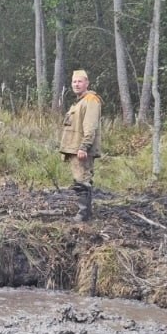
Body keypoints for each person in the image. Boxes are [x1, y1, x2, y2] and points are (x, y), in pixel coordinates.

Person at [59, 69, 102, 221]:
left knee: (82, 179)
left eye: (80, 81)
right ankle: (84, 213)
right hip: (75, 148)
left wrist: (84, 147)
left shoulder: (91, 100)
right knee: (80, 180)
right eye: (74, 82)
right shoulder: (79, 102)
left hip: (81, 149)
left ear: (87, 83)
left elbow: (90, 126)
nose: (76, 84)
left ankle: (83, 215)